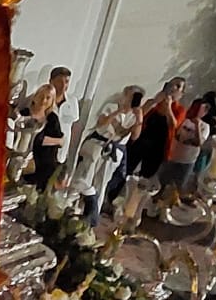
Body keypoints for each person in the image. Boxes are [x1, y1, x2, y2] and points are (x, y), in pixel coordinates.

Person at [67, 86, 143, 224]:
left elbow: (134, 137)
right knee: (84, 176)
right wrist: (119, 111)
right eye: (130, 96)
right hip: (97, 144)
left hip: (114, 151)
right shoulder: (111, 106)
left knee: (101, 183)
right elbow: (101, 122)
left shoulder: (135, 116)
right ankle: (71, 206)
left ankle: (91, 215)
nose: (131, 100)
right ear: (125, 94)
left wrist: (139, 119)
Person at [130, 79, 183, 179]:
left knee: (146, 175)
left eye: (178, 86)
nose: (174, 88)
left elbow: (174, 125)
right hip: (141, 141)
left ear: (181, 94)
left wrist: (168, 108)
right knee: (128, 167)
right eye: (172, 84)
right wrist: (154, 101)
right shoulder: (155, 103)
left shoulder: (179, 110)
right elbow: (139, 116)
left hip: (157, 149)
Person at [19, 86, 67, 188]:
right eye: (41, 96)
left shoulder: (52, 118)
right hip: (24, 161)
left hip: (45, 166)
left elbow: (61, 141)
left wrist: (41, 139)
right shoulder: (25, 113)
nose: (43, 100)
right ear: (36, 96)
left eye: (48, 98)